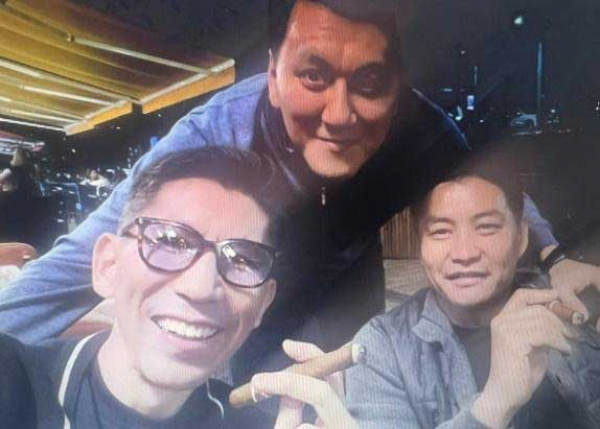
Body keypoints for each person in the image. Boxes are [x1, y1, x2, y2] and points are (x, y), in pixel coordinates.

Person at [0, 0, 593, 383]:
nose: (340, 115)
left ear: (399, 87)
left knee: (356, 383)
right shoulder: (216, 130)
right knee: (235, 386)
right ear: (273, 76)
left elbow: (493, 197)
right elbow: (89, 251)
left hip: (353, 276)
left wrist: (555, 258)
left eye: (370, 83)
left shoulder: (423, 130)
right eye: (313, 76)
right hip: (259, 275)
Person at [0, 147, 357, 428]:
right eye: (171, 241)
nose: (201, 288)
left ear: (263, 304)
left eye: (242, 259)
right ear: (108, 265)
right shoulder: (14, 382)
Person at [346, 154, 600, 429]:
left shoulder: (573, 305)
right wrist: (495, 403)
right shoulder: (381, 348)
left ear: (521, 238)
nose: (464, 253)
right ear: (420, 244)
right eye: (441, 231)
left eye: (486, 227)